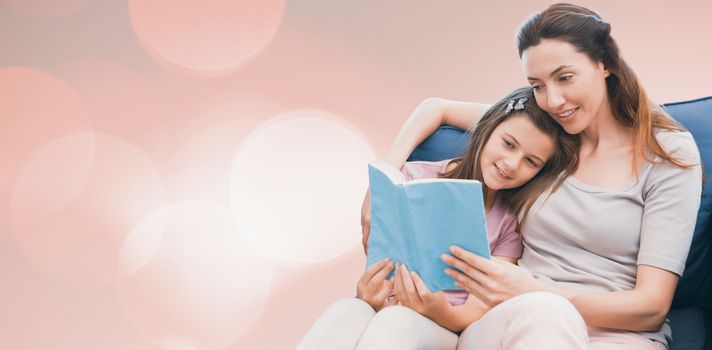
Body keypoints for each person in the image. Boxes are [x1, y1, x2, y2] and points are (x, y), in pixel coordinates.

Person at [361, 3, 702, 350]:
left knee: (549, 310)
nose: (553, 100)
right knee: (543, 314)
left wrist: (541, 291)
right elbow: (436, 108)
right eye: (537, 85)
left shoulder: (666, 153)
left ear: (605, 64)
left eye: (565, 77)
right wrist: (384, 179)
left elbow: (651, 308)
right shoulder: (546, 135)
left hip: (617, 335)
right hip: (514, 319)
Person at [296, 86, 579, 349]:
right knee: (345, 311)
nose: (512, 164)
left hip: (442, 326)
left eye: (531, 162)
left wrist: (436, 309)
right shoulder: (415, 177)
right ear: (488, 129)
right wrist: (370, 293)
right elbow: (380, 258)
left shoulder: (509, 224)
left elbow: (476, 308)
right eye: (508, 144)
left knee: (394, 323)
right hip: (386, 305)